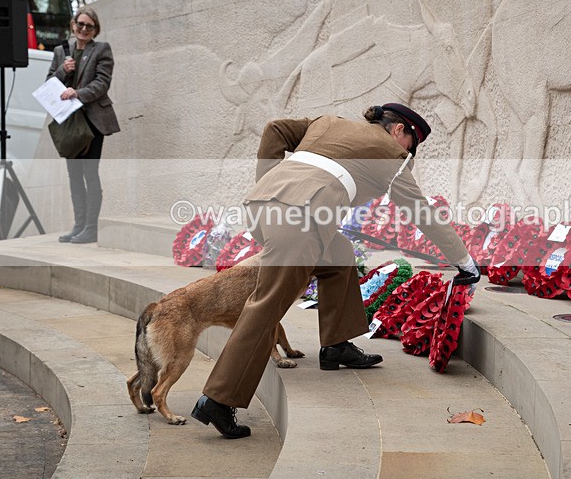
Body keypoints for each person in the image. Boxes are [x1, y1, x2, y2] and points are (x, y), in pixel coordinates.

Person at [191, 103, 481, 438]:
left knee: (339, 254)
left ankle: (336, 344)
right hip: (300, 220)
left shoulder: (328, 122)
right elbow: (420, 210)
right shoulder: (391, 154)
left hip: (265, 205)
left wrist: (271, 184)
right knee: (268, 303)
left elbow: (275, 129)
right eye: (412, 145)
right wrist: (463, 261)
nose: (409, 153)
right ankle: (218, 398)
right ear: (399, 130)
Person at [47, 6, 120, 244]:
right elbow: (49, 82)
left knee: (90, 174)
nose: (84, 29)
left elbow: (102, 83)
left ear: (95, 29)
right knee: (74, 176)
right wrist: (62, 70)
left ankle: (91, 228)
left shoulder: (101, 50)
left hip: (92, 122)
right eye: (81, 24)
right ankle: (78, 226)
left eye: (90, 26)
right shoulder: (61, 51)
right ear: (73, 24)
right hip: (70, 124)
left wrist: (77, 93)